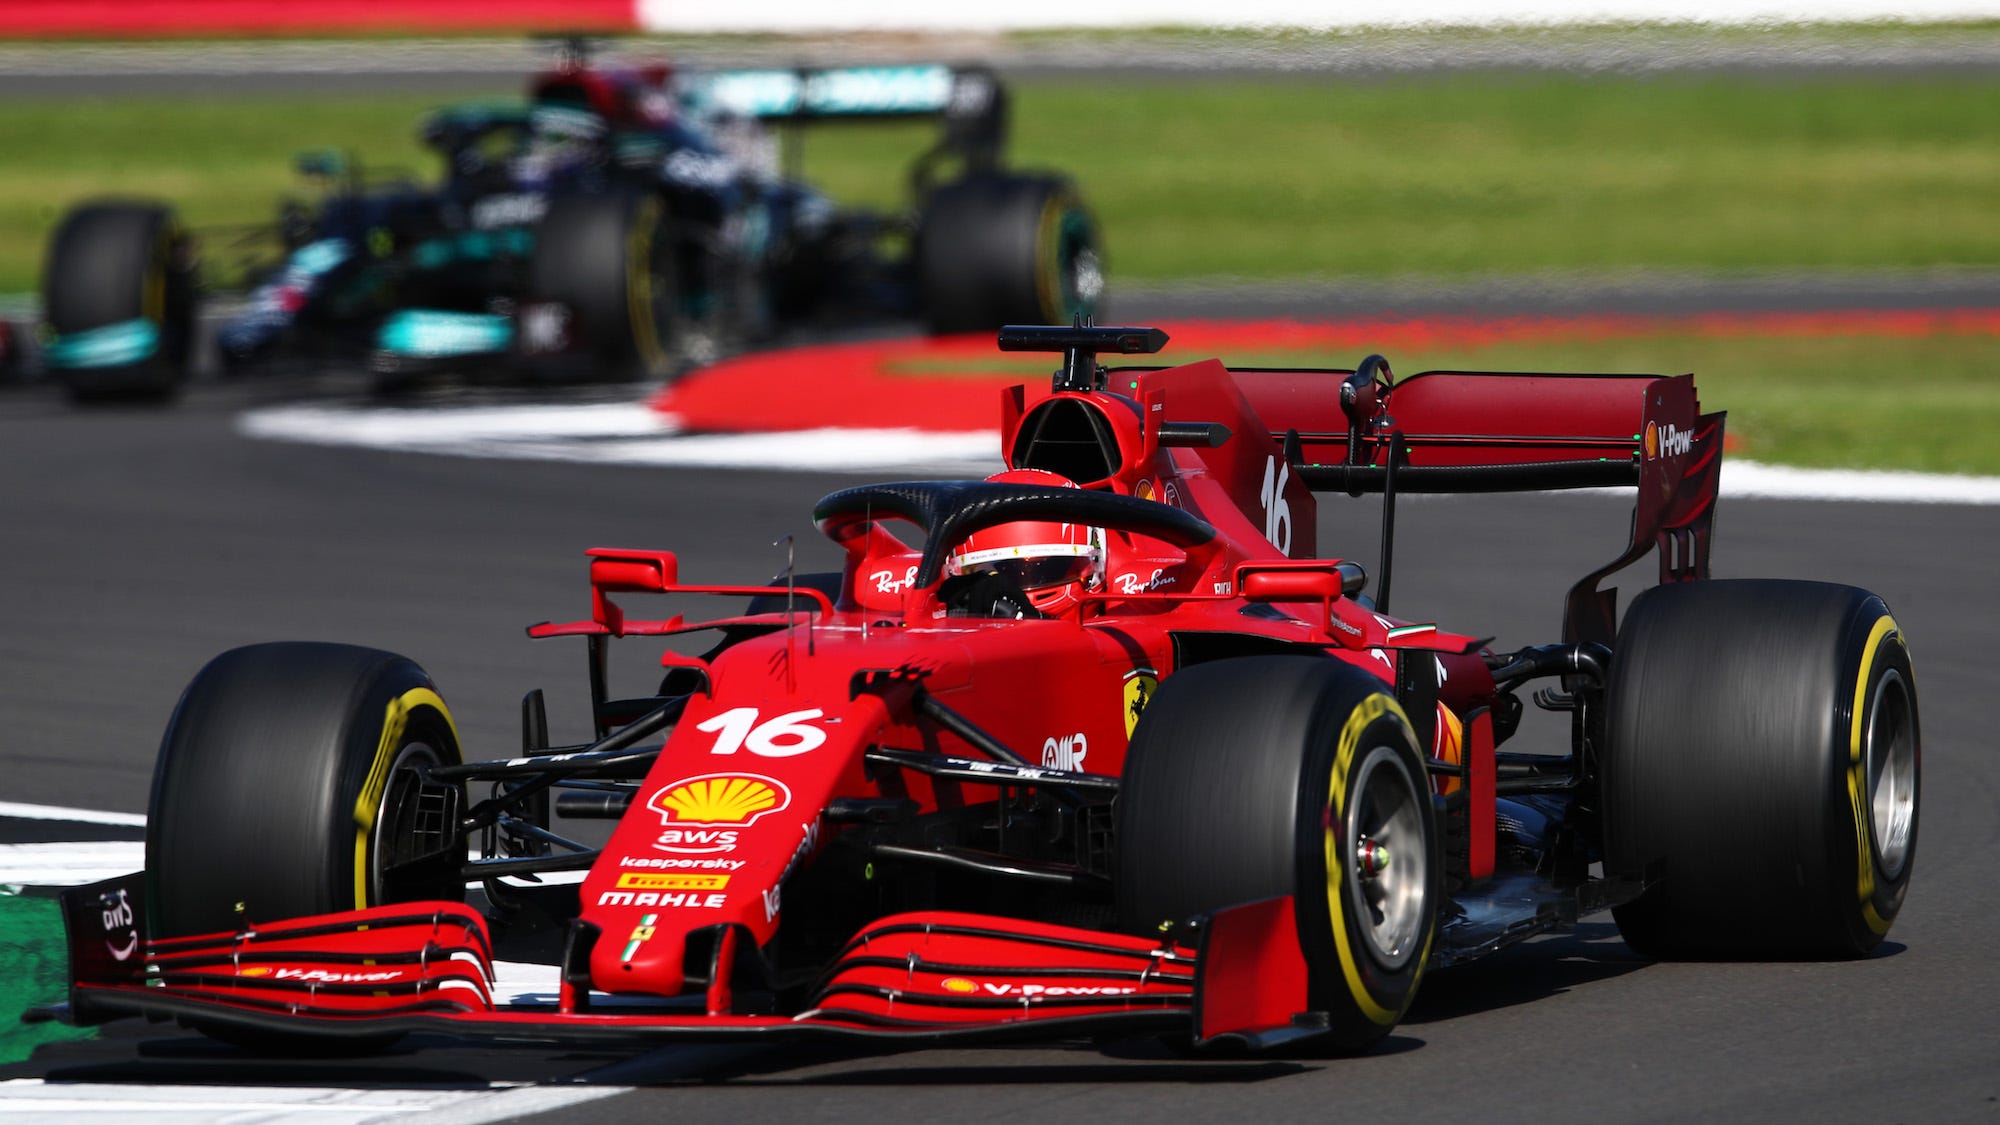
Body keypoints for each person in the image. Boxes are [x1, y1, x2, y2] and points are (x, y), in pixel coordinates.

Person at [942, 469, 1104, 619]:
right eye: (1004, 574)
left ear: (1095, 568)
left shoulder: (1125, 620)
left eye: (1049, 570)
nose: (1019, 596)